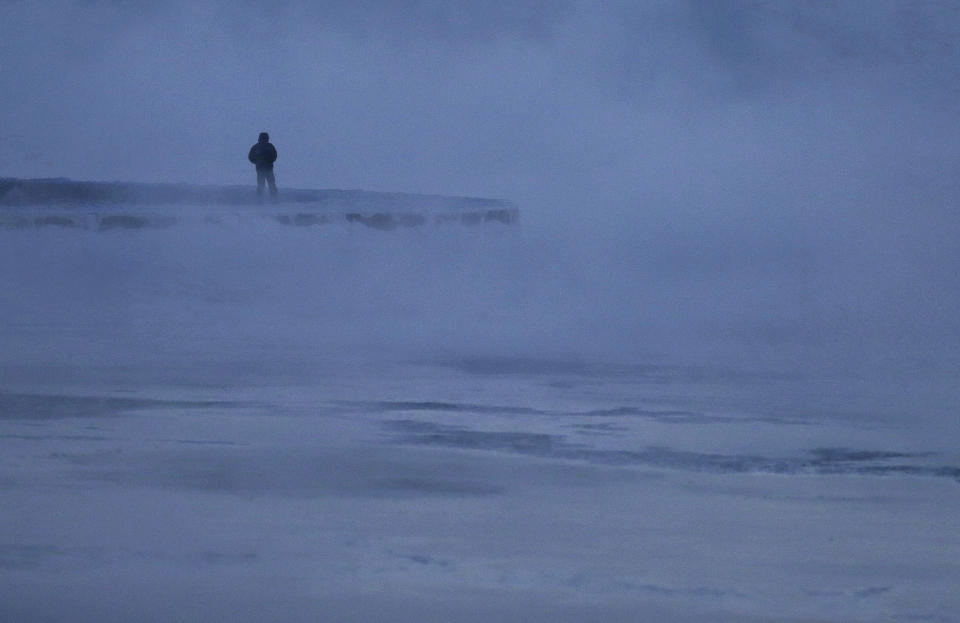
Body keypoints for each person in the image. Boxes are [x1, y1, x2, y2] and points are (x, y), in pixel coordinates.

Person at [248, 132, 278, 198]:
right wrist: (257, 162)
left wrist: (269, 161)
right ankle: (262, 200)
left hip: (267, 169)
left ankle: (272, 200)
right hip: (262, 169)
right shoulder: (258, 147)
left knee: (267, 185)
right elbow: (250, 157)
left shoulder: (267, 146)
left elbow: (274, 156)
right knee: (265, 185)